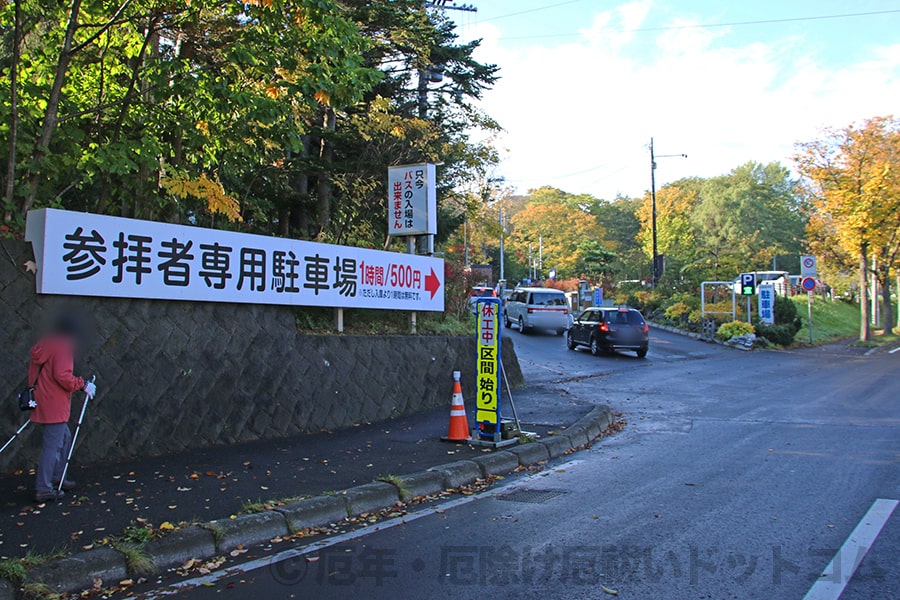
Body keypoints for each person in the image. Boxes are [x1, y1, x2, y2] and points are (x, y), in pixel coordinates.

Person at [28, 314, 96, 503]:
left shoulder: (45, 344)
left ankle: (58, 477)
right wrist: (82, 385)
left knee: (63, 437)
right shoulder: (63, 346)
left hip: (41, 398)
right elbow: (62, 376)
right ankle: (44, 487)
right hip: (55, 402)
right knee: (53, 445)